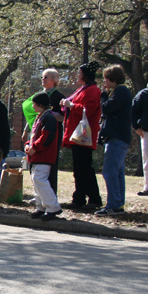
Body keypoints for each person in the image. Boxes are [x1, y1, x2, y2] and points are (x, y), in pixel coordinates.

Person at [61, 62, 103, 210]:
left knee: (85, 168)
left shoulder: (93, 91)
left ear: (85, 75)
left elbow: (89, 110)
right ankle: (79, 198)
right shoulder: (82, 89)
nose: (77, 75)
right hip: (76, 135)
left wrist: (71, 106)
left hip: (84, 135)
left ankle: (94, 199)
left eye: (79, 73)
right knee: (79, 169)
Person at [94, 65, 133, 215]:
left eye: (106, 78)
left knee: (109, 172)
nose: (104, 81)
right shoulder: (120, 91)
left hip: (117, 138)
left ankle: (113, 204)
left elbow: (106, 108)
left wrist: (103, 95)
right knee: (117, 172)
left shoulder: (121, 91)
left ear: (112, 79)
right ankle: (118, 203)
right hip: (118, 137)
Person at [23, 69, 66, 194]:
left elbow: (63, 116)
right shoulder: (40, 94)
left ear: (54, 79)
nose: (43, 79)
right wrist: (26, 129)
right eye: (42, 77)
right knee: (35, 163)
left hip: (52, 132)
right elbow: (34, 114)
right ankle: (39, 193)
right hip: (37, 131)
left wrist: (48, 114)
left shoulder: (58, 96)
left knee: (49, 164)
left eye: (46, 77)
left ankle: (51, 193)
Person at [25, 92, 62, 221]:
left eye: (34, 104)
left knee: (40, 179)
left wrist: (34, 148)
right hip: (37, 155)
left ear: (40, 104)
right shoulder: (40, 117)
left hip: (44, 155)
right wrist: (28, 144)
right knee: (36, 180)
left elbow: (46, 136)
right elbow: (34, 135)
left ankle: (53, 207)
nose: (32, 106)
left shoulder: (49, 118)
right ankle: (40, 206)